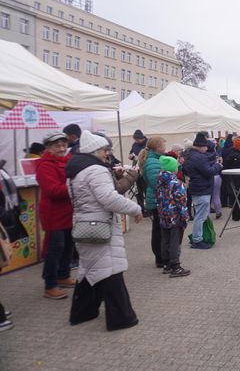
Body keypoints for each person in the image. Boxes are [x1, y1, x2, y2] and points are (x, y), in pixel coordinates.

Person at [66, 130, 143, 331]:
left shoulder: (76, 171)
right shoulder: (95, 170)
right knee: (110, 271)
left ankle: (83, 312)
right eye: (104, 150)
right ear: (94, 150)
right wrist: (135, 208)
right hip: (99, 226)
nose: (107, 154)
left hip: (84, 225)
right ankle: (122, 318)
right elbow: (108, 199)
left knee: (90, 269)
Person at [35, 132, 74, 299]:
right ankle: (49, 285)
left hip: (67, 211)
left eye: (63, 144)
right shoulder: (45, 165)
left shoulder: (67, 161)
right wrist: (74, 187)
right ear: (48, 148)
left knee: (68, 245)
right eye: (57, 145)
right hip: (53, 213)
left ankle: (63, 275)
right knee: (55, 248)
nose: (61, 148)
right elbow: (53, 191)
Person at [184, 132, 222, 249]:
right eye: (206, 146)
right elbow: (209, 171)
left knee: (200, 215)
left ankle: (198, 237)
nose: (207, 149)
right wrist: (218, 165)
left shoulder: (191, 155)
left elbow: (202, 166)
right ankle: (197, 239)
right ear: (201, 146)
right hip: (202, 189)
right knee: (200, 216)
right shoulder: (198, 157)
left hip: (197, 187)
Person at [156, 156, 190, 278]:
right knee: (175, 241)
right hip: (175, 217)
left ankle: (166, 264)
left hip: (163, 215)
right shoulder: (176, 183)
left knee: (165, 240)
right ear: (173, 169)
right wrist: (185, 217)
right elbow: (181, 202)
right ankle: (175, 265)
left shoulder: (159, 181)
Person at [138, 136, 167, 267]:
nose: (165, 148)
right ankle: (160, 257)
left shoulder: (153, 160)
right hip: (157, 199)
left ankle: (161, 257)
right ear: (158, 147)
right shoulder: (153, 162)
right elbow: (157, 182)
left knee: (158, 229)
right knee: (159, 231)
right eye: (163, 145)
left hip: (155, 199)